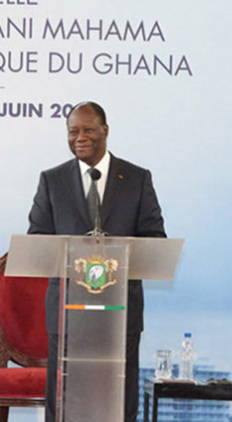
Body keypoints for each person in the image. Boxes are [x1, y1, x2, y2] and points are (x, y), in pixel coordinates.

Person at [27, 101, 166, 422]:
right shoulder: (52, 180)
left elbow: (154, 239)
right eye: (73, 131)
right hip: (67, 312)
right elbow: (38, 240)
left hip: (120, 313)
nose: (80, 137)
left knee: (120, 401)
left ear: (105, 131)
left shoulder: (136, 178)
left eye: (88, 130)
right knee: (62, 400)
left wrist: (117, 253)